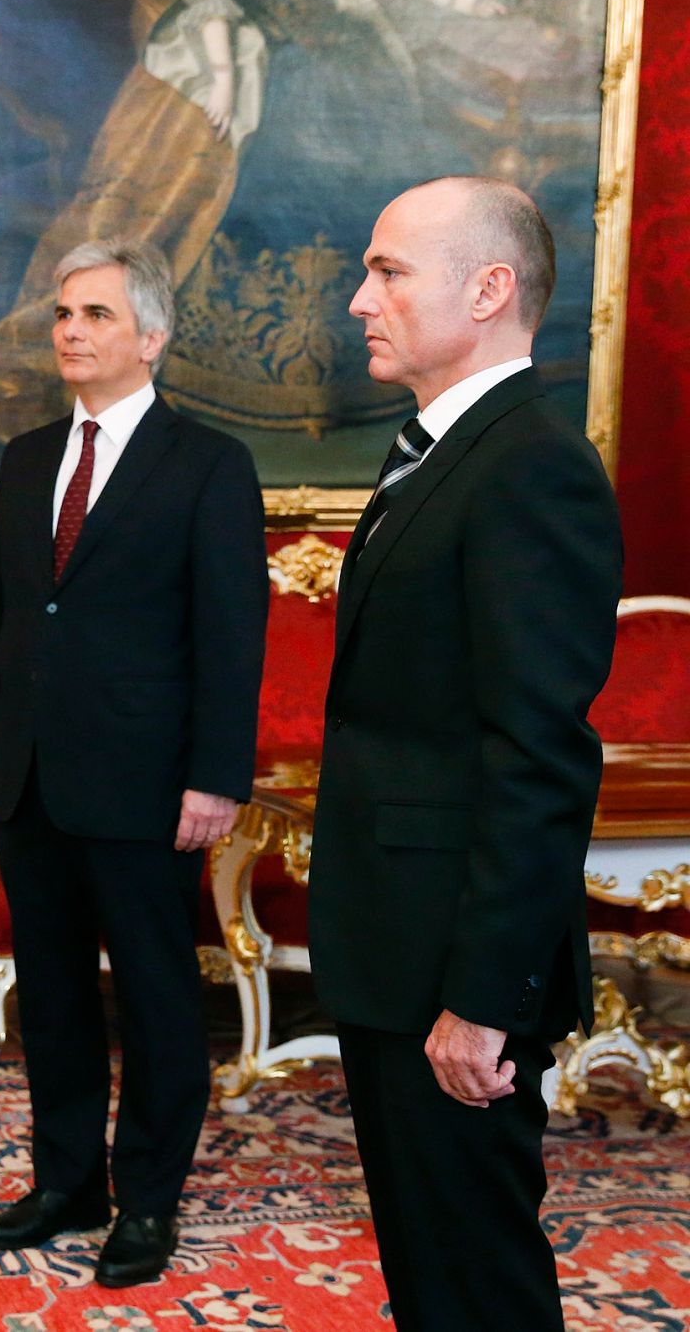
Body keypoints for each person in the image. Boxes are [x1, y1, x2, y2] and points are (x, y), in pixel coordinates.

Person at [309, 176, 623, 1331]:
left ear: (486, 290)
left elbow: (537, 757)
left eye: (387, 272)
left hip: (455, 966)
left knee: (477, 1280)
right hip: (397, 944)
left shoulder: (528, 463)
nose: (359, 300)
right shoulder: (441, 448)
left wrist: (483, 1000)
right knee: (430, 1269)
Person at [0, 238, 267, 1286]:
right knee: (52, 996)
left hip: (146, 787)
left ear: (152, 336)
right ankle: (67, 1181)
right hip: (28, 776)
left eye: (95, 315)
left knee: (159, 1000)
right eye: (62, 314)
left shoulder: (207, 464)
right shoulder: (30, 456)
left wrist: (215, 776)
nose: (70, 331)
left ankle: (149, 1199)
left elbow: (231, 636)